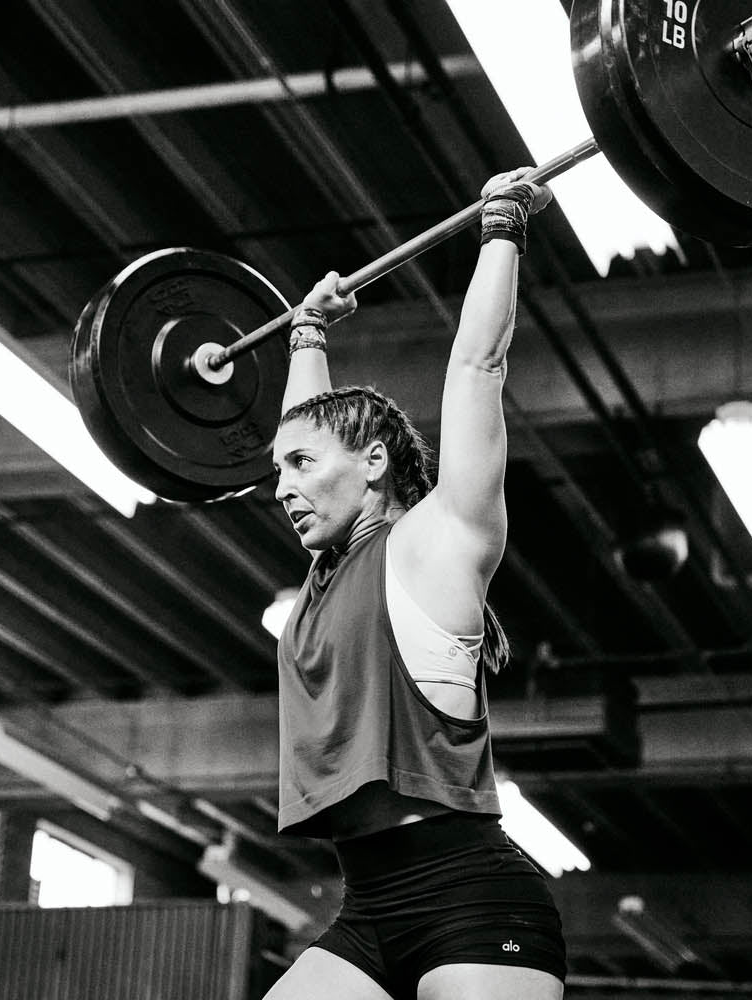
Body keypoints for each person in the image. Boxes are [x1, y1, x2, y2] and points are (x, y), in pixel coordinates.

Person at [265, 169, 566, 1000]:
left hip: (470, 895)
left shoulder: (440, 541)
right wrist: (307, 335)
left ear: (374, 464)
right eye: (274, 471)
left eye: (296, 468)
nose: (281, 486)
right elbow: (312, 434)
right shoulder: (328, 574)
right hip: (367, 903)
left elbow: (477, 364)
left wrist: (502, 225)